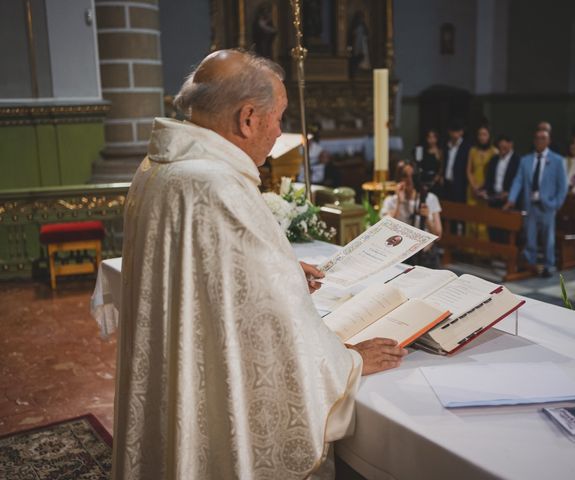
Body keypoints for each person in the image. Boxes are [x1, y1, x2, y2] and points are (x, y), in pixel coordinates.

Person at [112, 50, 408, 479]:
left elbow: (210, 279)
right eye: (279, 117)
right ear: (248, 118)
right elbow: (274, 326)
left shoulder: (161, 166)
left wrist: (285, 272)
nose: (280, 130)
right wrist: (350, 363)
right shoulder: (216, 185)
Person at [505, 129, 568, 278]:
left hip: (547, 205)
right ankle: (530, 264)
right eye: (537, 138)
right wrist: (512, 199)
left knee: (548, 238)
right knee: (530, 236)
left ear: (548, 141)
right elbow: (518, 180)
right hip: (530, 204)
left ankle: (548, 265)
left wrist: (556, 204)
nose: (540, 141)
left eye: (543, 138)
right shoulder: (525, 160)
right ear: (534, 141)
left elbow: (563, 186)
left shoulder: (558, 160)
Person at [381, 163, 442, 266]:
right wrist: (398, 203)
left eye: (412, 176)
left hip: (425, 256)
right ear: (399, 178)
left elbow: (438, 235)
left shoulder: (429, 198)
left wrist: (426, 218)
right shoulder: (391, 201)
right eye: (405, 176)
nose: (409, 180)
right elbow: (385, 229)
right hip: (400, 255)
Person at [481, 134, 520, 242]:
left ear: (511, 145)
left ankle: (506, 255)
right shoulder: (494, 160)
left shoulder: (518, 161)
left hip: (509, 200)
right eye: (500, 148)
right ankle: (495, 253)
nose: (502, 150)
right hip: (494, 198)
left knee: (506, 230)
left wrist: (509, 193)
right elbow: (489, 179)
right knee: (493, 228)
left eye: (505, 148)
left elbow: (519, 182)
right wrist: (484, 191)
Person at [466, 126, 498, 240]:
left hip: (486, 189)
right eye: (480, 134)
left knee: (483, 220)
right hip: (472, 189)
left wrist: (482, 186)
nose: (482, 137)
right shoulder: (472, 150)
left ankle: (483, 252)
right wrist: (474, 186)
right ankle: (470, 249)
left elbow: (493, 173)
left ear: (489, 136)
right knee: (471, 218)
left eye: (484, 134)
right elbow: (469, 170)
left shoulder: (494, 152)